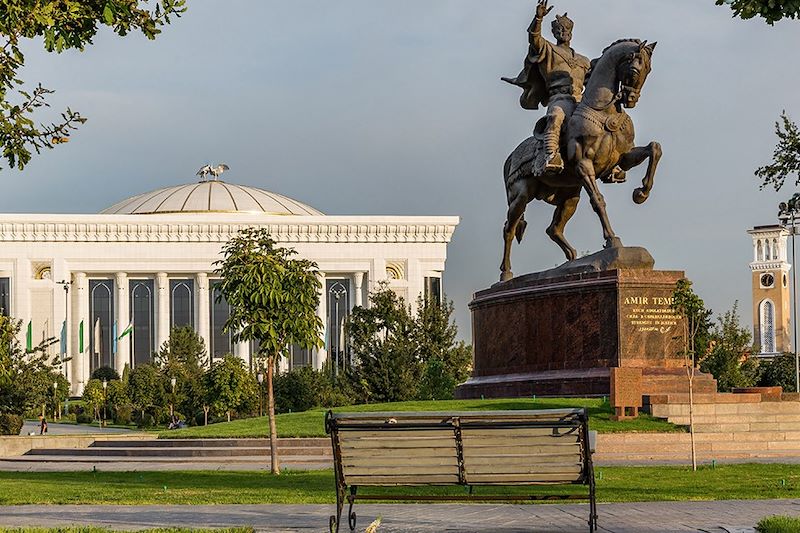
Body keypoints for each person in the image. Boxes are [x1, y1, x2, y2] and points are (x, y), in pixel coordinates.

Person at [502, 0, 590, 172]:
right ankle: (550, 155)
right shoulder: (548, 50)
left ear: (571, 33)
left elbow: (593, 82)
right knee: (555, 117)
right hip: (560, 99)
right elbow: (534, 39)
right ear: (554, 33)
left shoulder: (583, 61)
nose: (563, 32)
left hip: (580, 100)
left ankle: (613, 161)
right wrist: (538, 18)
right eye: (559, 30)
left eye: (566, 29)